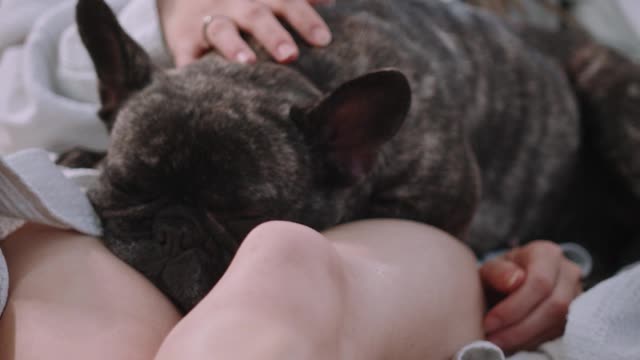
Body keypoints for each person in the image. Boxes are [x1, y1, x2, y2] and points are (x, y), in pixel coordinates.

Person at [0, 0, 584, 358]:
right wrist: (161, 10)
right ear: (116, 96)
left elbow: (449, 204)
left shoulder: (413, 142)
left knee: (284, 260)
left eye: (229, 213)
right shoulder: (153, 92)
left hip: (556, 153)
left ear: (348, 149)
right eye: (132, 188)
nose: (170, 239)